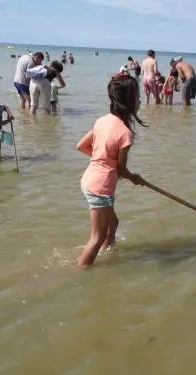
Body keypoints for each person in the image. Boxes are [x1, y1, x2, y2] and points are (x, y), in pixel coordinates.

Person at [76, 73, 146, 268]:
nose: (140, 100)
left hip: (90, 179)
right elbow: (121, 170)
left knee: (113, 224)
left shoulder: (103, 120)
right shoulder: (125, 134)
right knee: (96, 237)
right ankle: (81, 271)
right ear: (130, 102)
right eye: (138, 97)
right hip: (101, 187)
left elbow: (81, 146)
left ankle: (109, 253)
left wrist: (102, 161)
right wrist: (135, 178)